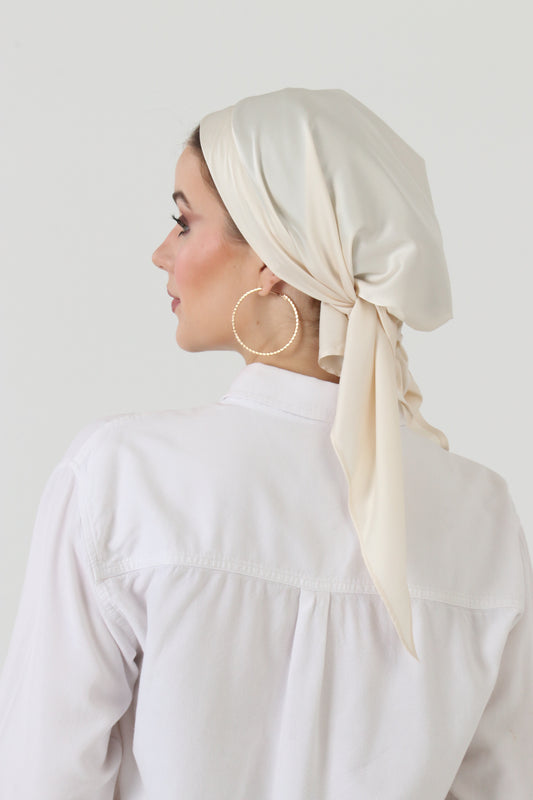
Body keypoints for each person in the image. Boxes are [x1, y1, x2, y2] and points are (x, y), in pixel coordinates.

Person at [0, 88, 531, 799]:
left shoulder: (121, 479)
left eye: (183, 222)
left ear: (271, 255)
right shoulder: (482, 516)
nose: (161, 252)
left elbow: (43, 780)